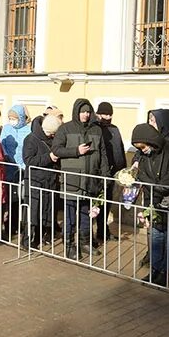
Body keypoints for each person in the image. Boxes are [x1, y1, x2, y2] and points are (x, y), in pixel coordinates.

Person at [51, 98, 108, 260]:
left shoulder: (96, 130)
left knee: (85, 213)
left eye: (88, 112)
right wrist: (76, 151)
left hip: (91, 179)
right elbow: (56, 149)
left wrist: (104, 175)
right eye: (83, 111)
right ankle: (69, 245)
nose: (86, 114)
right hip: (72, 179)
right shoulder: (65, 128)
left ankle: (85, 242)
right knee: (69, 216)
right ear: (77, 112)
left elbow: (102, 153)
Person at [131, 122, 169, 286]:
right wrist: (148, 183)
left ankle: (164, 272)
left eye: (143, 146)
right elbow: (139, 174)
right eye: (139, 148)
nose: (143, 150)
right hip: (152, 202)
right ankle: (154, 270)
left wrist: (146, 181)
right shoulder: (143, 155)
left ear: (151, 141)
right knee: (155, 237)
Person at [23, 114, 63, 249]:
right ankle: (27, 240)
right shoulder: (31, 139)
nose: (52, 136)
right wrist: (49, 157)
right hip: (35, 181)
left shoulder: (52, 139)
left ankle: (38, 239)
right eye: (51, 134)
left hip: (49, 181)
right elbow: (28, 160)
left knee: (45, 212)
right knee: (32, 212)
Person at [94, 101, 127, 240]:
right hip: (97, 173)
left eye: (109, 114)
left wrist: (123, 171)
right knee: (94, 205)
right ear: (98, 114)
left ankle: (103, 231)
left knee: (107, 202)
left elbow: (119, 148)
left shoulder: (115, 129)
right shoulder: (94, 129)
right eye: (104, 114)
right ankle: (89, 235)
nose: (107, 117)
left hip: (113, 174)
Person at [0, 105, 29, 235]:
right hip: (9, 167)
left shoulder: (28, 130)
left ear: (21, 118)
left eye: (14, 118)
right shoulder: (6, 128)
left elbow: (29, 147)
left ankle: (22, 225)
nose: (12, 120)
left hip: (23, 168)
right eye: (10, 118)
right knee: (10, 198)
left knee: (22, 197)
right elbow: (2, 143)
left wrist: (24, 163)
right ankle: (9, 226)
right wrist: (6, 156)